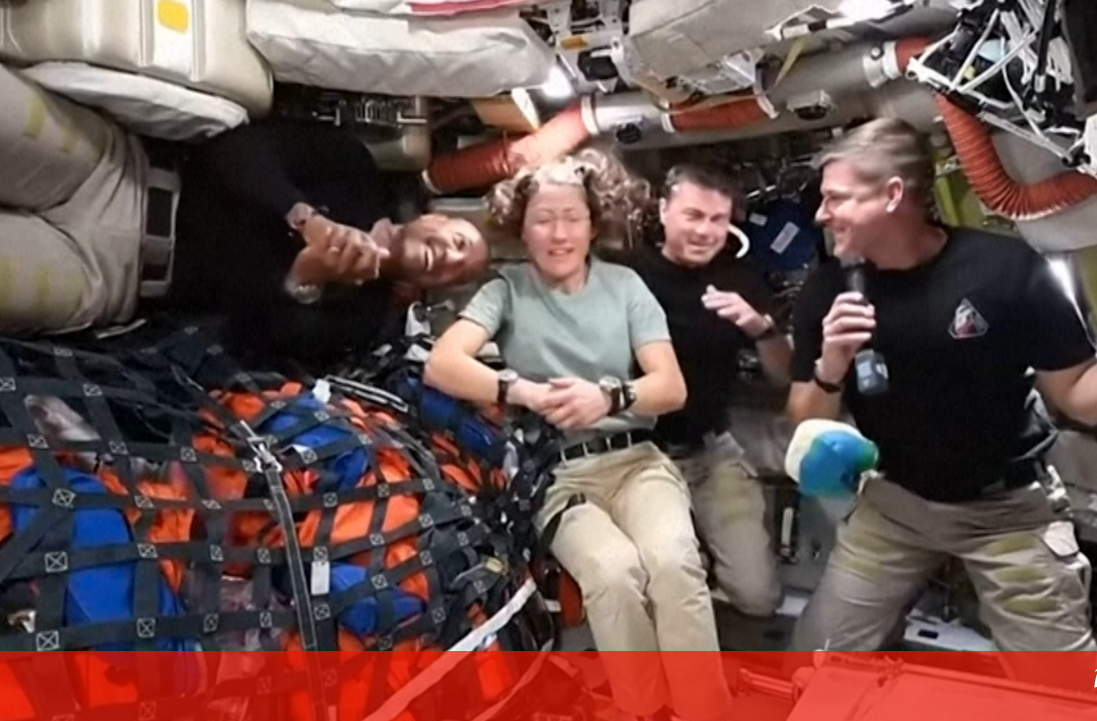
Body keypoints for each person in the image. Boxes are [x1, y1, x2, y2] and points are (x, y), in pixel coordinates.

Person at [786, 118, 1097, 679]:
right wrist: (830, 366)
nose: (820, 214)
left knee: (1066, 692)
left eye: (836, 198)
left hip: (1007, 512)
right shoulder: (828, 290)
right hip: (895, 503)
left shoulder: (1005, 271)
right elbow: (805, 423)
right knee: (812, 666)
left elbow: (1079, 395)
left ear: (892, 195)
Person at [422, 148, 732, 721]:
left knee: (673, 563)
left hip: (636, 463)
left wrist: (608, 397)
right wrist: (521, 390)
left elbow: (670, 387)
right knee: (613, 572)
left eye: (572, 218)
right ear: (523, 227)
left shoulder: (626, 286)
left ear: (594, 224)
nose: (559, 233)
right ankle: (646, 711)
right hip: (557, 476)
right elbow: (442, 365)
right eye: (544, 219)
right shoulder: (505, 290)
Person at [0, 63, 488, 365]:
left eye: (456, 271)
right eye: (459, 242)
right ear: (434, 219)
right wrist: (305, 218)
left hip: (111, 275)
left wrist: (304, 279)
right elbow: (234, 148)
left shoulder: (362, 320)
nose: (448, 257)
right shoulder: (354, 169)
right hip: (116, 171)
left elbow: (250, 341)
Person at [623, 163, 790, 619]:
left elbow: (784, 376)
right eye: (693, 216)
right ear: (664, 211)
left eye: (717, 220)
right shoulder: (625, 277)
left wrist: (760, 328)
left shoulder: (741, 279)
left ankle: (706, 553)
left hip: (712, 450)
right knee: (672, 582)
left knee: (759, 598)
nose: (704, 231)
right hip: (642, 456)